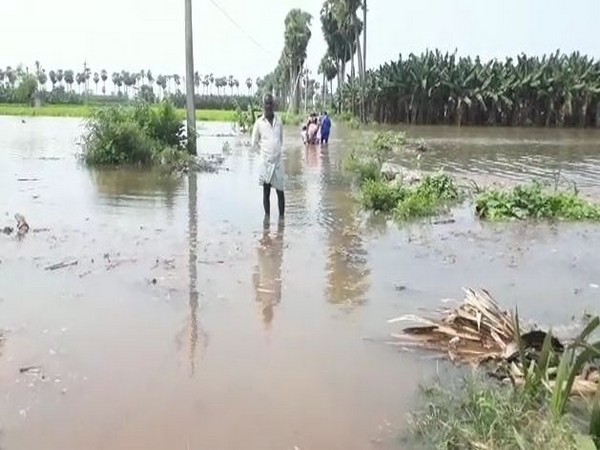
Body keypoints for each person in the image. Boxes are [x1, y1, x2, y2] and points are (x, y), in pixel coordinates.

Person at [251, 94, 285, 222]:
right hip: (265, 163)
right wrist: (263, 155)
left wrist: (275, 152)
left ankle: (282, 222)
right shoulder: (259, 123)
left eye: (270, 103)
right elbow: (254, 144)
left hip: (277, 162)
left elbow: (280, 140)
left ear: (273, 105)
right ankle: (267, 221)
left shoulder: (279, 121)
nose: (269, 106)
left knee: (280, 192)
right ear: (263, 106)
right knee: (266, 192)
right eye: (266, 104)